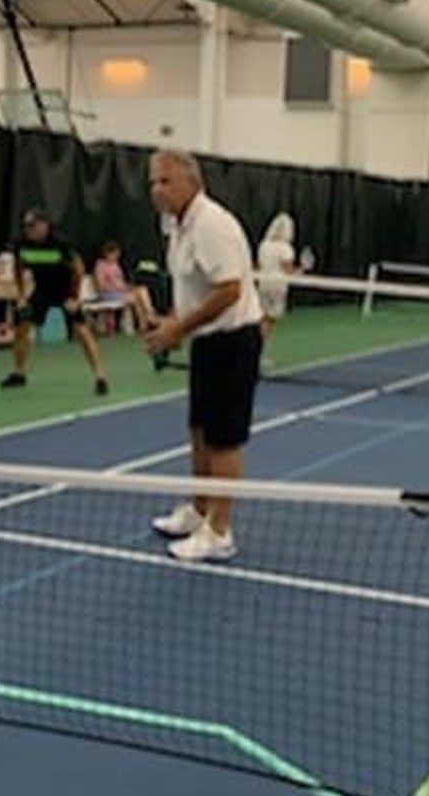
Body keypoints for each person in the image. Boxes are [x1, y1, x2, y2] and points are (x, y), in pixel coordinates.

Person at [143, 148, 264, 563]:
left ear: (191, 183)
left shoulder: (212, 224)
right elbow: (194, 289)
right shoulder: (176, 225)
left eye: (165, 181)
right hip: (206, 342)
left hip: (234, 340)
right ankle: (198, 512)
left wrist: (177, 328)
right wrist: (172, 324)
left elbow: (228, 291)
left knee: (224, 441)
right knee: (199, 431)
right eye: (153, 181)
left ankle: (220, 531)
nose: (156, 189)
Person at [0, 208, 109, 394]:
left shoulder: (60, 243)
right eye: (27, 227)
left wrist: (74, 298)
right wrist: (21, 296)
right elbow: (18, 268)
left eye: (33, 226)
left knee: (81, 331)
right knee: (22, 325)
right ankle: (19, 373)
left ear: (45, 226)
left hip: (65, 290)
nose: (29, 230)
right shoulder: (22, 244)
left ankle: (100, 376)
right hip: (42, 290)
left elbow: (79, 269)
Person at [255, 212, 307, 362]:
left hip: (263, 285)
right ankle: (257, 356)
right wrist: (301, 270)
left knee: (261, 320)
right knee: (268, 322)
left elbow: (258, 266)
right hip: (277, 287)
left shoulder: (263, 245)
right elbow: (288, 271)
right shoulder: (286, 248)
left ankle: (254, 354)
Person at [92, 239, 156, 334]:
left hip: (120, 292)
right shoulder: (100, 266)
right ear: (107, 253)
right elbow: (100, 286)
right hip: (107, 294)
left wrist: (127, 286)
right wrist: (118, 288)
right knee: (135, 298)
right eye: (115, 254)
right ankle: (146, 322)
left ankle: (148, 317)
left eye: (118, 255)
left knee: (142, 290)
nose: (117, 257)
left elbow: (120, 281)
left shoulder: (116, 265)